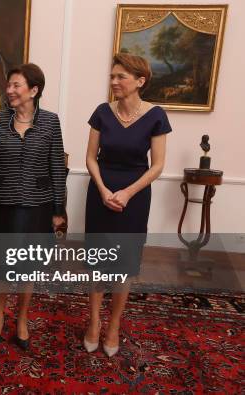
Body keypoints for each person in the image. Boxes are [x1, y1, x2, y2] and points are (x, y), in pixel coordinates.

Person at [0, 63, 67, 351]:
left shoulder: (51, 121)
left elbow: (56, 168)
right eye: (8, 85)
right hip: (0, 204)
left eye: (16, 85)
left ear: (34, 90)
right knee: (1, 267)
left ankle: (22, 319)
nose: (9, 90)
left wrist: (59, 210)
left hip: (37, 207)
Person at [83, 53, 171, 357]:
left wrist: (127, 193)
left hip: (133, 198)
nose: (114, 82)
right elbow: (91, 157)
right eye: (112, 76)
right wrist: (104, 189)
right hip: (100, 194)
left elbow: (157, 165)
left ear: (140, 81)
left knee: (123, 267)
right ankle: (94, 323)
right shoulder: (101, 112)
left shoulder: (156, 115)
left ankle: (114, 326)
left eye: (120, 77)